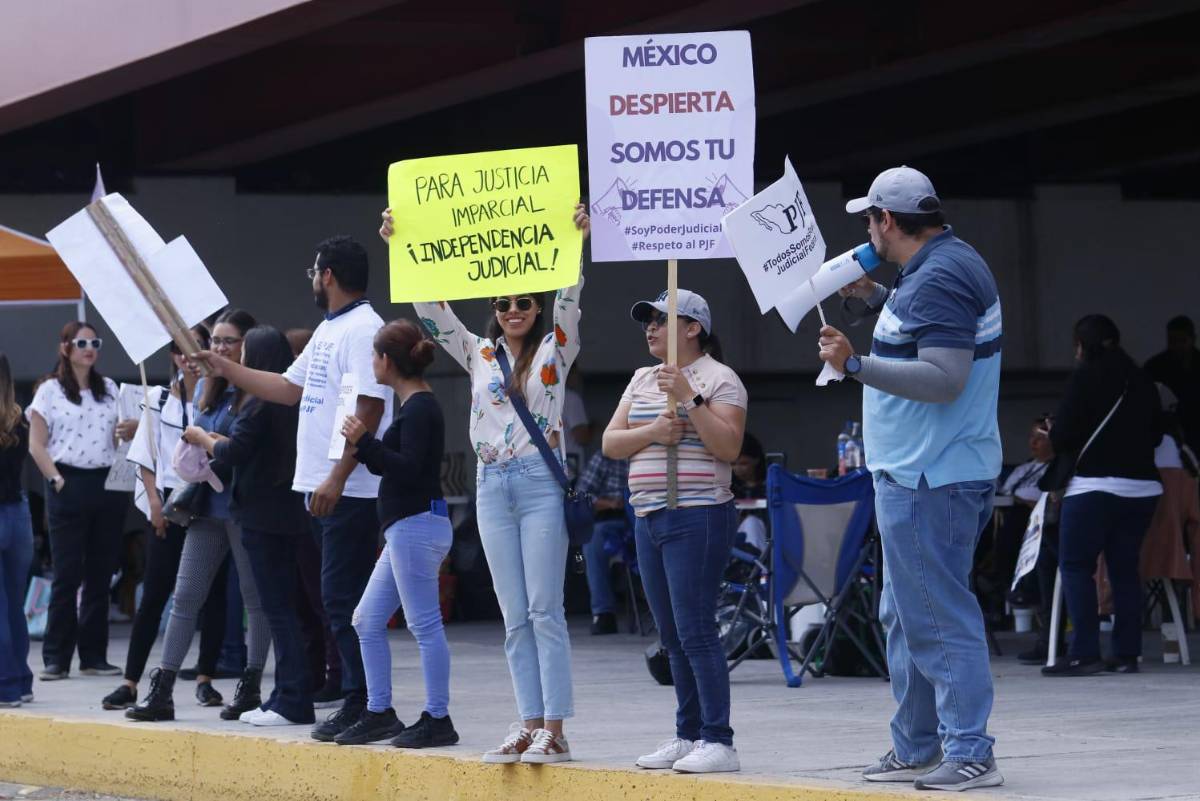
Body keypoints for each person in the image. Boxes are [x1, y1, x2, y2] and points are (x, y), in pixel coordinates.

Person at [380, 203, 589, 764]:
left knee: (545, 610)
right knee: (513, 614)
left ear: (537, 307)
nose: (513, 310)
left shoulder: (556, 348)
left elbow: (570, 302)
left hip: (539, 483)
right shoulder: (480, 351)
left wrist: (574, 246)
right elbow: (433, 313)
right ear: (493, 309)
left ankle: (555, 729)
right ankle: (528, 722)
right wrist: (402, 243)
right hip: (492, 484)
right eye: (503, 303)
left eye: (523, 302)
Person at [821, 167, 1003, 791]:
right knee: (906, 614)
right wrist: (875, 298)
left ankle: (969, 751)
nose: (866, 232)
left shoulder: (940, 276)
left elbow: (945, 378)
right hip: (923, 471)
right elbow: (924, 330)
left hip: (931, 475)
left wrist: (855, 365)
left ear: (888, 221)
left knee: (936, 616)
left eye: (868, 220)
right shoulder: (937, 265)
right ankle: (918, 746)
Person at [189, 236, 392, 741]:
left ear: (328, 275)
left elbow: (369, 407)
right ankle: (360, 701)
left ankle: (367, 704)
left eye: (313, 272)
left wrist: (337, 476)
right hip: (324, 488)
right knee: (334, 600)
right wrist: (224, 367)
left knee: (343, 603)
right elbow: (285, 387)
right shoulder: (331, 328)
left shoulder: (363, 329)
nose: (312, 280)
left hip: (348, 490)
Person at [602, 289, 748, 775]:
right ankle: (688, 734)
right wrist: (652, 433)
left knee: (696, 629)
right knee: (670, 635)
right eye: (646, 320)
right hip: (648, 515)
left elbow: (728, 447)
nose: (650, 327)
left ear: (693, 328)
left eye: (661, 319)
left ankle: (719, 739)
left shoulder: (720, 377)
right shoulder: (642, 378)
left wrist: (689, 397)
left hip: (698, 513)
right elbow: (611, 443)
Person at [126, 309, 271, 723]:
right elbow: (207, 440)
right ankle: (163, 688)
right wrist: (207, 440)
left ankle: (250, 685)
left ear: (247, 345)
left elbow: (239, 446)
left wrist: (208, 439)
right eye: (216, 340)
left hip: (244, 506)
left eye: (228, 341)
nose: (218, 348)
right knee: (185, 595)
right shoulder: (210, 388)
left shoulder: (257, 390)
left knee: (254, 599)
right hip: (206, 506)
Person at [333, 319, 457, 748]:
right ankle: (379, 711)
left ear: (386, 361)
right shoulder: (414, 406)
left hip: (415, 525)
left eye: (374, 355)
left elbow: (408, 467)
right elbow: (397, 463)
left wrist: (366, 442)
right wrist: (364, 444)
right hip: (407, 527)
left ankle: (438, 717)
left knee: (424, 624)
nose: (372, 362)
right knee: (366, 620)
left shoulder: (420, 408)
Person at [183, 326, 315, 725]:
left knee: (277, 609)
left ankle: (292, 699)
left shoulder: (260, 402)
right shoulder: (292, 399)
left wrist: (203, 438)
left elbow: (234, 452)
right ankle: (286, 693)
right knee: (285, 608)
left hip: (262, 514)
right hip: (289, 511)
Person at [101, 329, 230, 711]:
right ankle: (130, 681)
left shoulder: (219, 396)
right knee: (156, 592)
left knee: (213, 593)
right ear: (173, 355)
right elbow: (145, 456)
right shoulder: (157, 398)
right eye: (180, 350)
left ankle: (205, 677)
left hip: (208, 498)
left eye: (195, 348)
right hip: (171, 502)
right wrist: (155, 504)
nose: (188, 357)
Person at [1042, 315, 1162, 677]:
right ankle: (1127, 654)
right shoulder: (1141, 379)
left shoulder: (1085, 377)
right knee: (1124, 569)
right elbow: (1157, 434)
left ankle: (1084, 652)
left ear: (1081, 344)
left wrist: (1053, 430)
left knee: (1076, 566)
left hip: (1093, 487)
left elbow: (1062, 436)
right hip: (1142, 489)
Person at [27, 322, 135, 680]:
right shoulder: (50, 390)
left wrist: (126, 433)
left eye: (95, 343)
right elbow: (36, 444)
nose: (89, 349)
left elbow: (121, 439)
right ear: (66, 347)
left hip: (106, 481)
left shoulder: (110, 388)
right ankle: (56, 657)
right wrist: (56, 480)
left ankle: (93, 656)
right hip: (67, 480)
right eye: (82, 342)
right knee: (67, 573)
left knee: (101, 573)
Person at [284, 326, 341, 708]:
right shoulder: (292, 399)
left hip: (321, 499)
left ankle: (337, 676)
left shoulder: (323, 400)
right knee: (304, 596)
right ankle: (315, 672)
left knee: (326, 596)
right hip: (295, 501)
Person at [0, 352, 34, 706]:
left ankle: (6, 686)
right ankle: (21, 681)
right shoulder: (18, 420)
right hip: (18, 514)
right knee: (13, 603)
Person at [576, 451, 630, 635]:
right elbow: (581, 494)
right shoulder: (606, 456)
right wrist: (611, 504)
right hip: (614, 518)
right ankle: (603, 613)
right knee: (593, 541)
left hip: (648, 515)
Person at [1144, 316, 1200, 453]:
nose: (1177, 346)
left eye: (1182, 340)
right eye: (1172, 341)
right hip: (1167, 434)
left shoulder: (1155, 365)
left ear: (1193, 339)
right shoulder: (1155, 367)